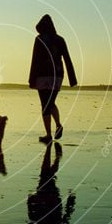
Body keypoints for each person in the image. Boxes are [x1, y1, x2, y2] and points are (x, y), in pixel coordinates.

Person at [28, 14, 77, 143]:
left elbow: (35, 60)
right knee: (50, 103)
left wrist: (31, 79)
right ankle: (58, 125)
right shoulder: (60, 40)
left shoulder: (39, 39)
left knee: (45, 104)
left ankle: (49, 134)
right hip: (57, 75)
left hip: (42, 76)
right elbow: (67, 58)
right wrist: (72, 79)